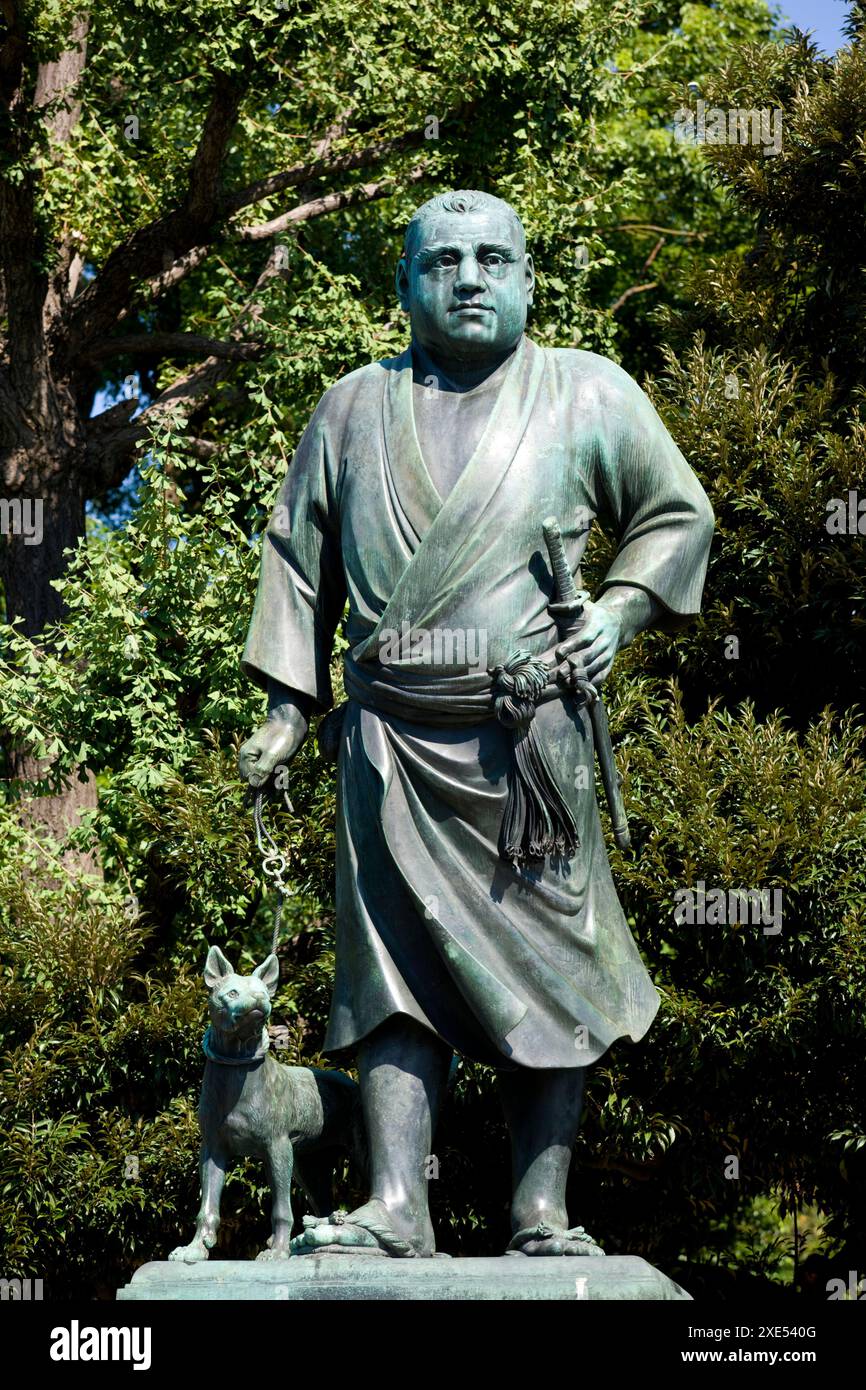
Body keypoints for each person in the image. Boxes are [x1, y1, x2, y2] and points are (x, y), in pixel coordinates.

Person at [238, 189, 714, 1257]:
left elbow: (678, 511)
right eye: (441, 260)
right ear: (403, 283)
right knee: (389, 973)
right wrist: (284, 709)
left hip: (528, 744)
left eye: (492, 259)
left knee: (558, 963)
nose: (466, 278)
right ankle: (397, 1204)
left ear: (527, 279)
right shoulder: (351, 407)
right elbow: (295, 562)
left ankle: (539, 1210)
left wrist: (618, 611)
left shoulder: (586, 393)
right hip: (389, 739)